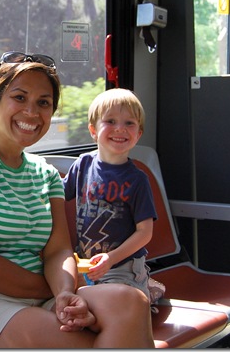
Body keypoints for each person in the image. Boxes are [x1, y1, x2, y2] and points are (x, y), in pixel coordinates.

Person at [0, 52, 155, 348]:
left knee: (131, 302)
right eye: (19, 97)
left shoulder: (46, 173)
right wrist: (57, 292)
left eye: (43, 103)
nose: (32, 112)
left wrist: (65, 293)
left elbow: (58, 251)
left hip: (42, 295)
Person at [63, 88, 158, 302]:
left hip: (122, 266)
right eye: (111, 121)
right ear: (93, 130)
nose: (120, 129)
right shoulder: (83, 165)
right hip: (86, 264)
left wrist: (111, 258)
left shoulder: (137, 180)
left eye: (129, 123)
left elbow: (144, 233)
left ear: (138, 134)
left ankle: (143, 286)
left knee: (116, 303)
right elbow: (56, 194)